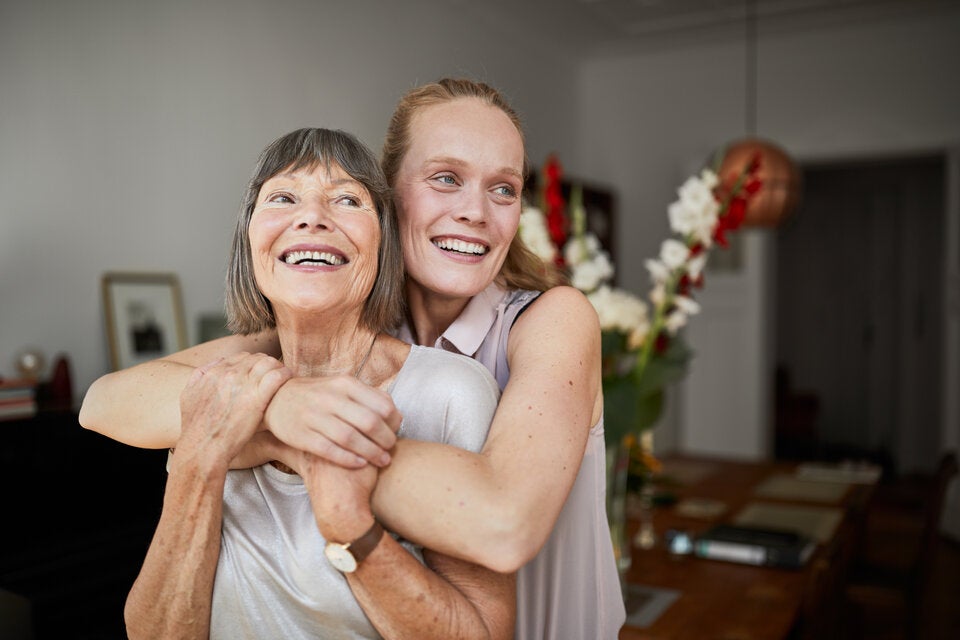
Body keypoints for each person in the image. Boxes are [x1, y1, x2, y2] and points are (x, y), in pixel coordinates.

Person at [81, 78, 626, 639]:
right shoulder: (327, 321)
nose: (475, 212)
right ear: (389, 196)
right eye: (445, 178)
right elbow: (106, 400)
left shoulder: (551, 319)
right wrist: (281, 406)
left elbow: (503, 525)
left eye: (504, 189)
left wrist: (281, 432)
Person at [121, 127, 515, 639]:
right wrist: (200, 459)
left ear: (384, 243)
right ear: (249, 241)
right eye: (283, 198)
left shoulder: (450, 393)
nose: (311, 217)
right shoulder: (220, 389)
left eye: (347, 200)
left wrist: (349, 523)